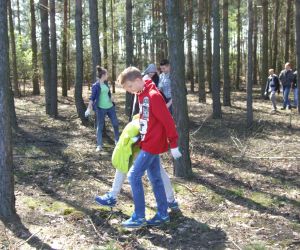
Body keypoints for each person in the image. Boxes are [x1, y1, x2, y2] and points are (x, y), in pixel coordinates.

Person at [117, 67, 182, 228]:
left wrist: (173, 144)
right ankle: (162, 214)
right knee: (155, 178)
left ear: (139, 80)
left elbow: (168, 121)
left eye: (130, 87)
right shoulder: (142, 94)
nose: (130, 91)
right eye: (127, 89)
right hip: (147, 142)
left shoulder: (153, 96)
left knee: (133, 176)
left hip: (152, 145)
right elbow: (147, 118)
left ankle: (139, 217)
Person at [85, 66, 119, 152]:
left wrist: (112, 99)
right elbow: (92, 98)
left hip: (110, 107)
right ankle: (99, 145)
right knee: (99, 126)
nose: (107, 75)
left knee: (115, 124)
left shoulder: (106, 84)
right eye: (106, 74)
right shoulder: (95, 86)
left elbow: (108, 94)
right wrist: (89, 108)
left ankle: (117, 140)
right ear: (103, 75)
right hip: (101, 108)